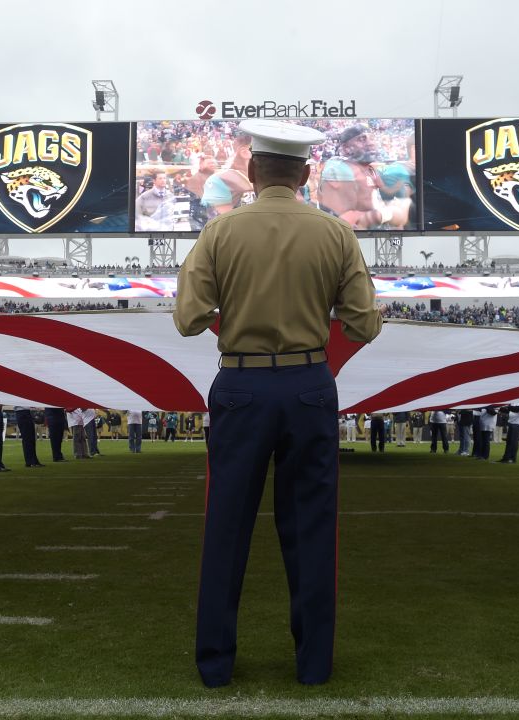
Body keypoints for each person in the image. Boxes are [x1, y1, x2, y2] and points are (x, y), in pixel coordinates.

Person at [174, 118, 381, 688]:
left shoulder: (219, 233)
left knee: (226, 527)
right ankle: (313, 665)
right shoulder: (335, 233)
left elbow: (189, 320)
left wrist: (242, 316)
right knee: (313, 527)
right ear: (306, 173)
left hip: (241, 386)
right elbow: (365, 324)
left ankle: (215, 665)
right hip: (309, 383)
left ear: (254, 170)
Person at [318, 125, 412, 230]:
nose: (371, 143)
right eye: (362, 139)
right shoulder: (339, 169)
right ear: (346, 148)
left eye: (371, 138)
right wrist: (387, 214)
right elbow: (345, 221)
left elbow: (378, 201)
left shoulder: (369, 169)